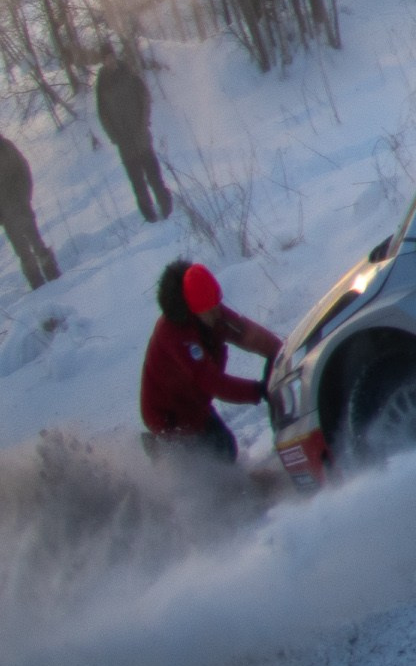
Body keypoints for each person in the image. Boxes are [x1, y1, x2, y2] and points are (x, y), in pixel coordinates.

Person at [140, 260, 280, 463]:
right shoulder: (176, 337)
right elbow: (214, 383)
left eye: (218, 306)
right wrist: (258, 390)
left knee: (225, 447)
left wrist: (279, 351)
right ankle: (162, 451)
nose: (217, 313)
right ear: (193, 311)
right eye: (211, 310)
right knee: (219, 455)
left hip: (194, 402)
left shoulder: (209, 311)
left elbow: (245, 333)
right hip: (168, 417)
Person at [96, 51, 173, 222]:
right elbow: (103, 114)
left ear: (114, 57)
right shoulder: (102, 84)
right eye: (105, 59)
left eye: (110, 57)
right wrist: (114, 136)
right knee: (138, 183)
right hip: (125, 144)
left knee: (154, 176)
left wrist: (144, 122)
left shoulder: (128, 73)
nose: (109, 61)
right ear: (102, 62)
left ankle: (166, 204)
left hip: (141, 137)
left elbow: (144, 96)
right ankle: (148, 214)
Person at [0, 134, 58, 289]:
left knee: (37, 243)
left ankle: (52, 273)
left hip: (21, 205)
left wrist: (24, 196)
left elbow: (23, 170)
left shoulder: (5, 147)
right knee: (23, 252)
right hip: (6, 215)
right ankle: (36, 281)